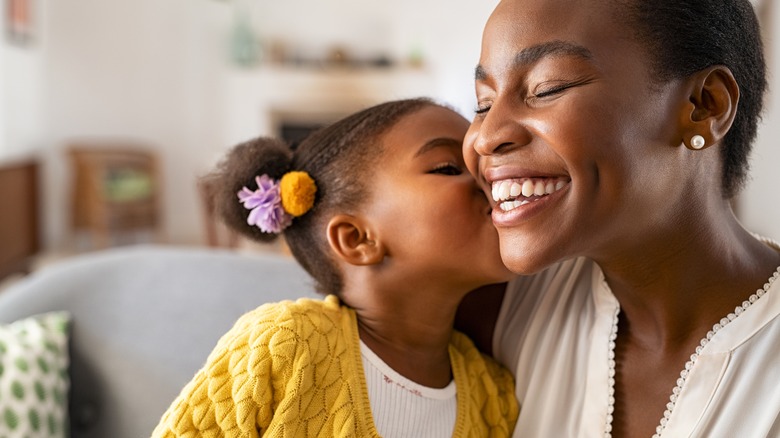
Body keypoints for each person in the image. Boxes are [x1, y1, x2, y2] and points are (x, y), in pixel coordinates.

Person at [457, 0, 780, 437]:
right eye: (483, 103)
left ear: (704, 105)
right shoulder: (494, 309)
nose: (485, 136)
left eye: (547, 88)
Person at [152, 98, 518, 437]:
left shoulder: (493, 396)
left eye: (481, 165)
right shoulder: (284, 345)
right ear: (357, 239)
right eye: (448, 167)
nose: (490, 178)